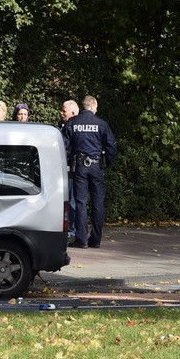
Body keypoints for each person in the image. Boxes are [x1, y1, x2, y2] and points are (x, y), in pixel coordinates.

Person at [61, 95, 118, 249]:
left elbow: (63, 145)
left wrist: (65, 163)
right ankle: (96, 240)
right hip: (96, 167)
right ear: (93, 107)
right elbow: (112, 147)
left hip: (79, 167)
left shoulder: (72, 123)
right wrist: (106, 163)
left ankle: (81, 239)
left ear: (84, 106)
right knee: (98, 203)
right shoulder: (101, 124)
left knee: (80, 203)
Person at [59, 99, 79, 239]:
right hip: (67, 169)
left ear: (72, 112)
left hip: (73, 170)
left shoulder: (73, 127)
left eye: (64, 111)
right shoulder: (63, 126)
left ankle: (72, 231)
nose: (61, 113)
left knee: (72, 202)